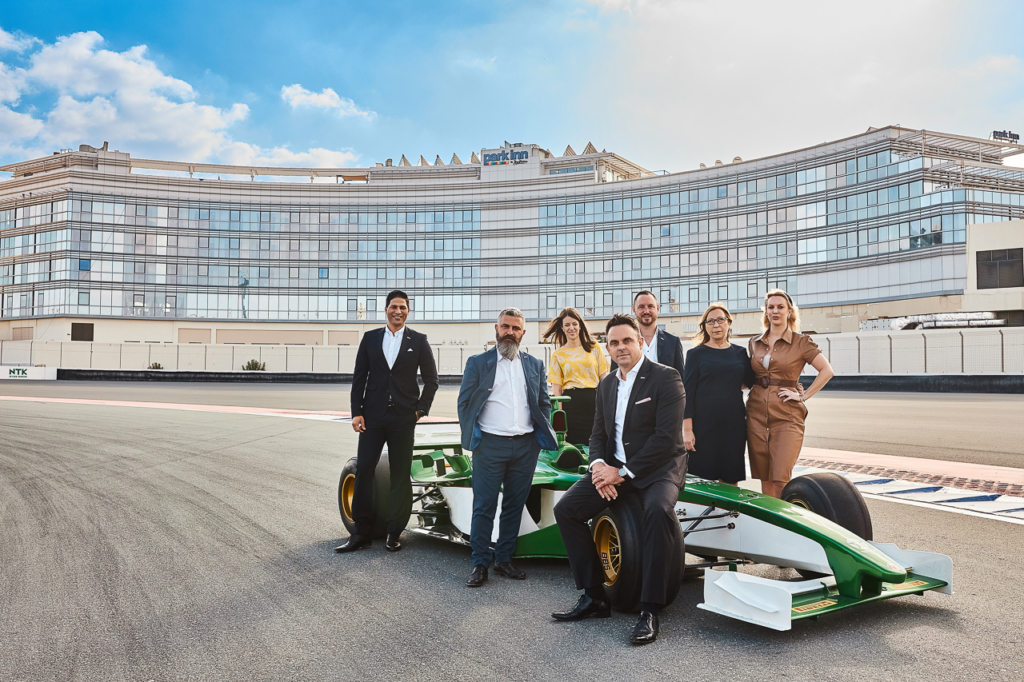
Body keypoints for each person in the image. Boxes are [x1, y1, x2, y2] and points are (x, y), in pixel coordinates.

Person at [551, 314, 686, 646]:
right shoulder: (607, 384)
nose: (621, 347)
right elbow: (598, 434)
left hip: (659, 470)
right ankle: (594, 597)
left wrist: (622, 473)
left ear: (640, 342)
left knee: (657, 511)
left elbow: (665, 438)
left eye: (627, 340)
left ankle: (649, 610)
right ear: (607, 349)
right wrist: (599, 467)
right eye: (614, 343)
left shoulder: (666, 377)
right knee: (567, 510)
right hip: (613, 469)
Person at [457, 307, 558, 587]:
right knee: (484, 505)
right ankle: (479, 563)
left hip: (525, 447)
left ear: (523, 332)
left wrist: (537, 436)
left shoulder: (534, 364)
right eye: (505, 327)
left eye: (515, 328)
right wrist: (473, 437)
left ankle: (503, 559)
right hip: (489, 445)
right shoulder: (478, 363)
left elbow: (544, 402)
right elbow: (464, 403)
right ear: (497, 329)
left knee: (514, 505)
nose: (509, 332)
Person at [335, 290, 439, 553]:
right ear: (386, 309)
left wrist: (420, 411)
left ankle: (394, 531)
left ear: (408, 311)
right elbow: (359, 377)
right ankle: (360, 533)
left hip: (403, 417)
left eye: (403, 307)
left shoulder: (419, 340)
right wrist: (356, 412)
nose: (398, 311)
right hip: (373, 416)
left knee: (400, 474)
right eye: (394, 306)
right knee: (364, 470)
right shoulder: (370, 338)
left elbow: (432, 380)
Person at [747, 289, 835, 498]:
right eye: (771, 307)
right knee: (765, 478)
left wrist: (803, 396)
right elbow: (749, 377)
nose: (775, 311)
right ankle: (769, 517)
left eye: (780, 307)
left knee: (780, 478)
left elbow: (827, 371)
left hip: (787, 417)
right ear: (766, 311)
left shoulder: (801, 342)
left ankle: (782, 517)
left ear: (789, 312)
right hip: (756, 415)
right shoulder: (754, 342)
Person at [683, 303, 754, 484]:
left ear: (728, 322)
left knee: (730, 477)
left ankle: (728, 505)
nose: (716, 325)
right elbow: (687, 393)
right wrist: (687, 431)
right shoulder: (695, 354)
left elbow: (751, 381)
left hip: (733, 425)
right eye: (710, 321)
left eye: (720, 320)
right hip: (702, 426)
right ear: (705, 326)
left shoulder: (740, 353)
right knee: (700, 479)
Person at [543, 307, 610, 446]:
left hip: (594, 402)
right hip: (571, 405)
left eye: (574, 324)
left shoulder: (594, 347)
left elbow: (604, 379)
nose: (571, 328)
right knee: (574, 447)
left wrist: (606, 406)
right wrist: (560, 421)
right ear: (562, 327)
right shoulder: (558, 355)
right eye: (567, 325)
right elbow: (557, 390)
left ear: (580, 325)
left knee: (598, 444)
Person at [630, 290, 685, 379]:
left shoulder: (673, 342)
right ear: (634, 310)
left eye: (650, 306)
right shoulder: (625, 342)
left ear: (658, 309)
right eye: (641, 307)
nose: (646, 311)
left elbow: (680, 377)